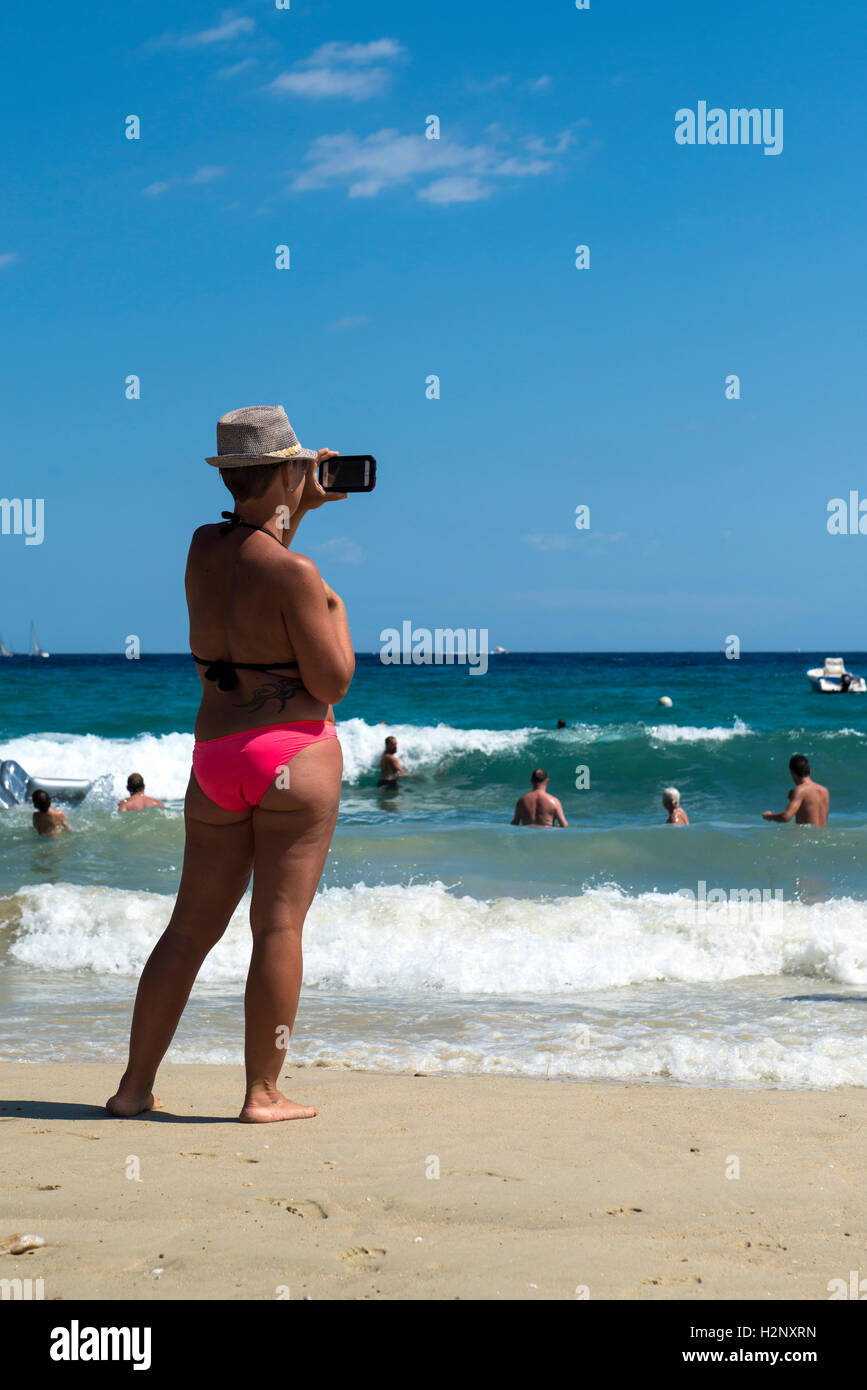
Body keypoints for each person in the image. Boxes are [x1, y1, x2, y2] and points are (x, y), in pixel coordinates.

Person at [108, 405, 355, 1124]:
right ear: (290, 470)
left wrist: (290, 510)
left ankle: (132, 1089)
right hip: (292, 753)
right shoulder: (298, 573)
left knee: (188, 928)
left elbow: (254, 567)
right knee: (277, 927)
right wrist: (333, 605)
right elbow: (332, 681)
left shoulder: (201, 548)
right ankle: (262, 1093)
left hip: (215, 756)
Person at [763, 754, 829, 826]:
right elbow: (813, 815)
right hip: (822, 836)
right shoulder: (824, 791)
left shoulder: (800, 790)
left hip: (806, 836)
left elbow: (786, 817)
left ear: (792, 773)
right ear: (810, 771)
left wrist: (769, 816)